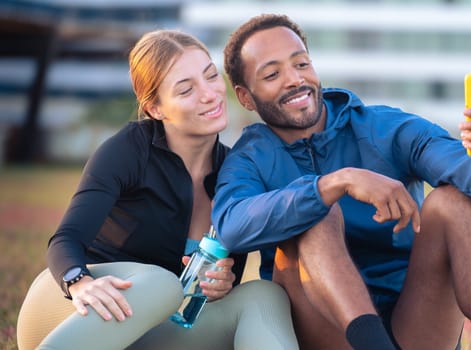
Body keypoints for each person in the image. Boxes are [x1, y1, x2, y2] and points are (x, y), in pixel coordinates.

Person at [211, 14, 471, 350]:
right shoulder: (248, 157)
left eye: (301, 64)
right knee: (315, 213)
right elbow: (231, 224)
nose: (294, 80)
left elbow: (459, 167)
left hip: (416, 320)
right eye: (272, 74)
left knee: (455, 202)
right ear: (245, 97)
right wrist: (334, 184)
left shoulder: (382, 127)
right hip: (324, 330)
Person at [16, 29, 298, 350]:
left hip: (144, 331)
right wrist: (79, 282)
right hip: (72, 312)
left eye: (210, 76)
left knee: (265, 294)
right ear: (155, 108)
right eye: (186, 89)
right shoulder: (128, 150)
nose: (209, 94)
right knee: (163, 285)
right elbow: (65, 241)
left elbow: (225, 269)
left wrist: (224, 283)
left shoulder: (236, 174)